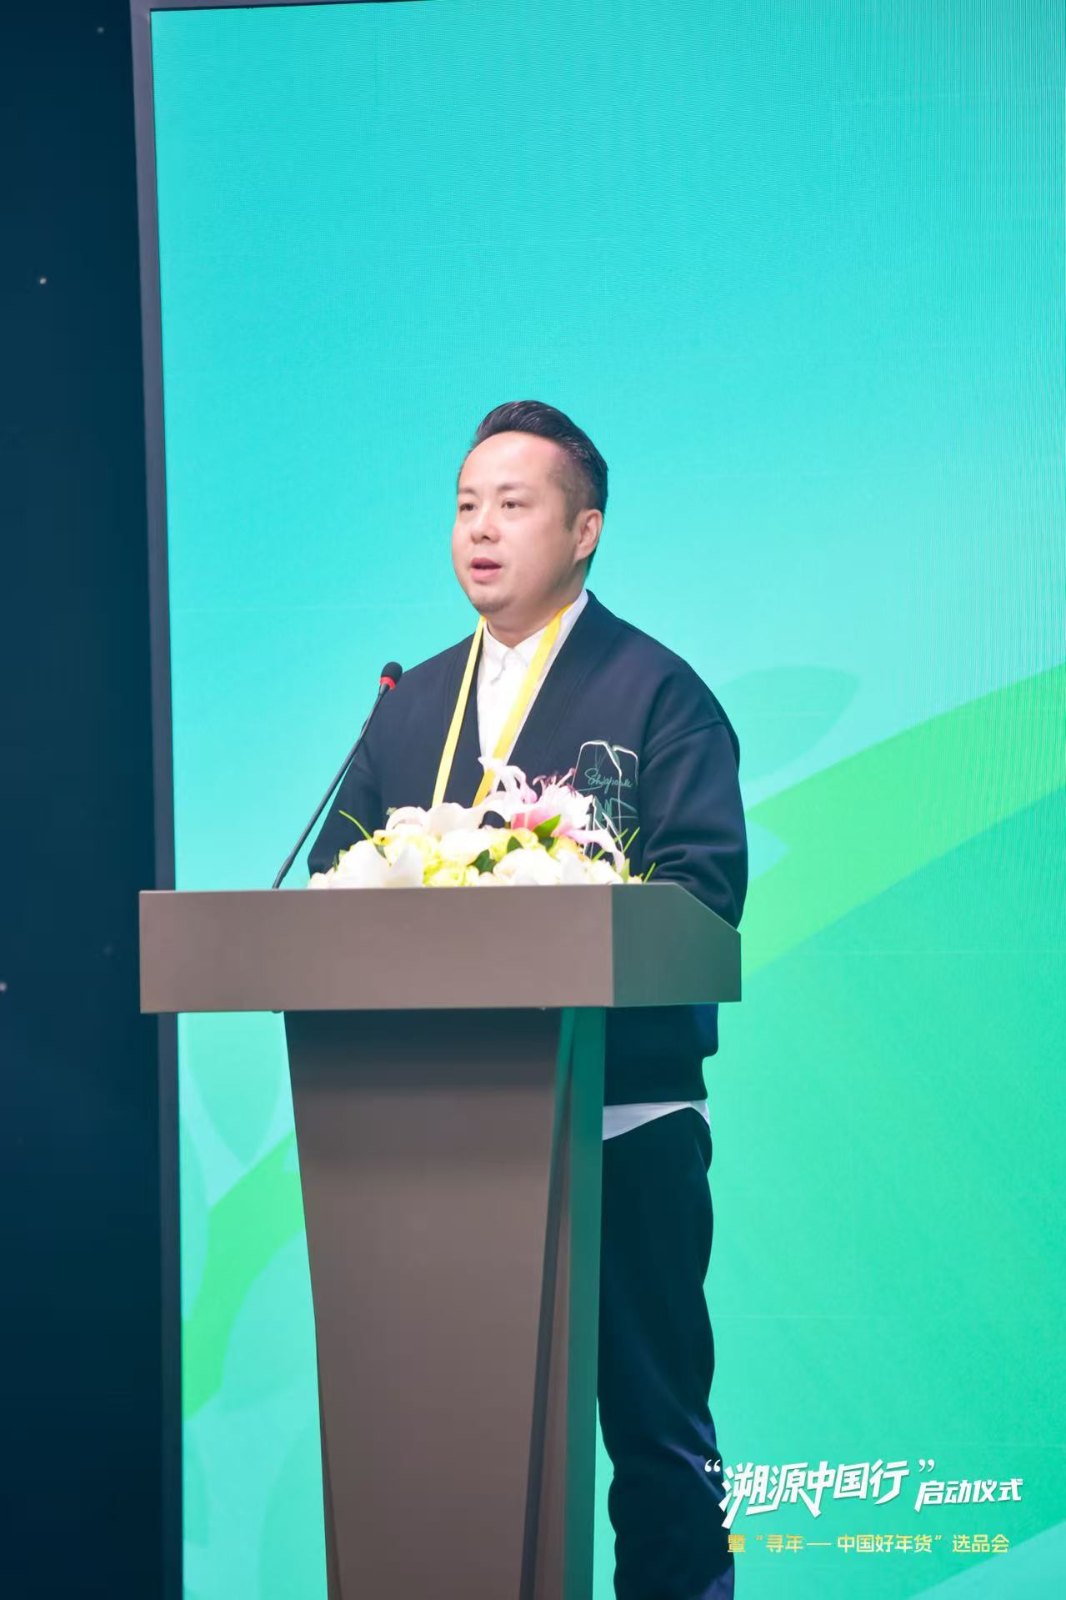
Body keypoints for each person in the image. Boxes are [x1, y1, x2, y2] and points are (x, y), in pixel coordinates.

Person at [309, 400, 747, 1600]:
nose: (481, 530)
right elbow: (331, 892)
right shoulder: (408, 704)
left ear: (584, 529)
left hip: (621, 1125)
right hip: (437, 1146)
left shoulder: (658, 694)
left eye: (513, 505)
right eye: (465, 506)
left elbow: (704, 900)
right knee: (447, 1447)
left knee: (656, 1438)